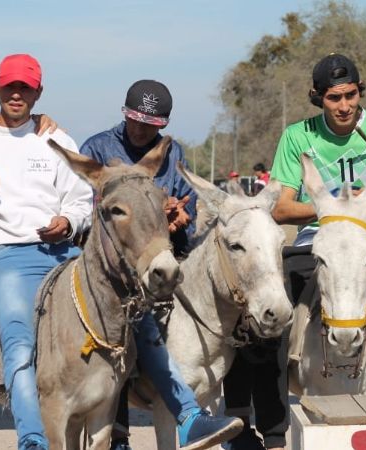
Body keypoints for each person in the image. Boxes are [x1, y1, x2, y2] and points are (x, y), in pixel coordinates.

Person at [223, 53, 366, 450]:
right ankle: (271, 435)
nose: (344, 106)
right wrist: (328, 207)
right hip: (313, 246)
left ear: (360, 92)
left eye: (351, 95)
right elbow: (283, 206)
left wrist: (358, 206)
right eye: (333, 98)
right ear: (318, 98)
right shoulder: (297, 136)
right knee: (266, 333)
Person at [80, 79, 241, 450]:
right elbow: (83, 212)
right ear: (124, 114)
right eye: (134, 120)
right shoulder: (98, 148)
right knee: (120, 328)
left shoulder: (173, 153)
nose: (140, 129)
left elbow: (185, 219)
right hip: (111, 270)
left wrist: (177, 223)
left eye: (149, 124)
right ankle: (118, 433)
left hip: (162, 261)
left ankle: (238, 418)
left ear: (162, 125)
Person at [0, 54, 84, 450]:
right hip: (6, 253)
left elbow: (80, 199)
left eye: (24, 88)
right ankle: (32, 438)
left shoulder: (57, 139)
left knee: (108, 325)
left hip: (62, 252)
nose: (16, 94)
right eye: (9, 86)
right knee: (19, 341)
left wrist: (69, 221)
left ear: (37, 93)